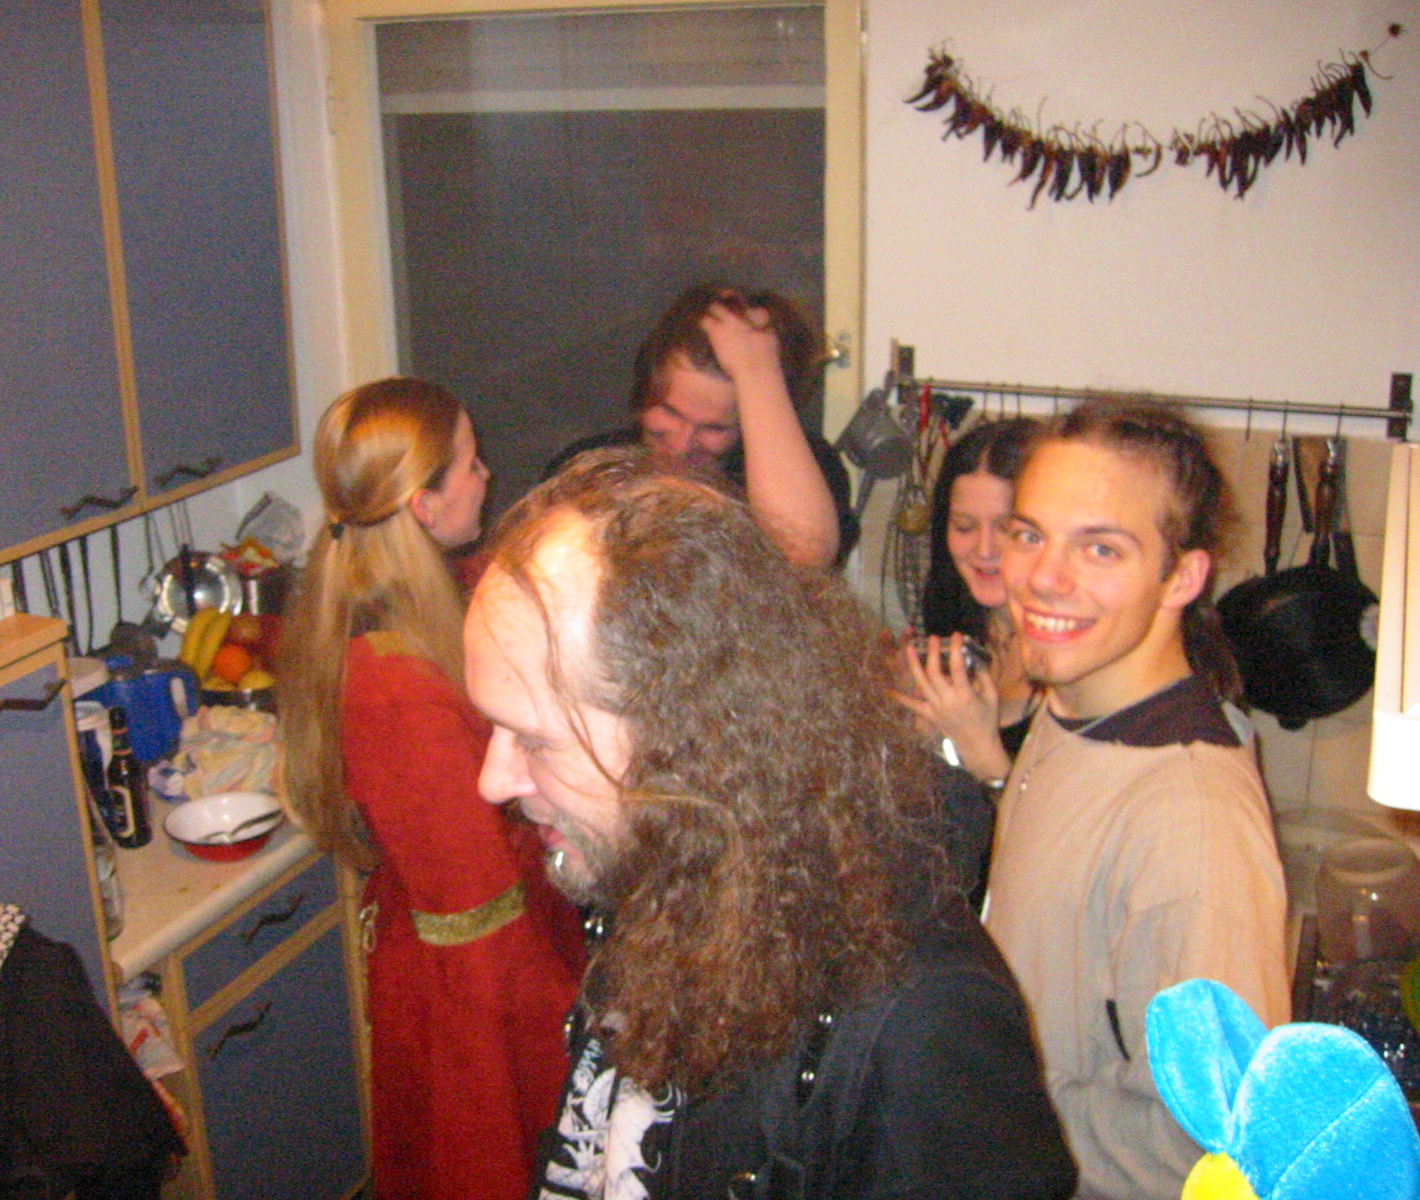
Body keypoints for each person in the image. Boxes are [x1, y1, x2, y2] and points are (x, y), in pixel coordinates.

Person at [463, 448, 1078, 1199]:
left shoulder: (925, 1022)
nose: (493, 781)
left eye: (534, 740)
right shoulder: (666, 863)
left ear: (689, 735)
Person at [275, 378, 585, 1200]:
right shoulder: (393, 692)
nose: (487, 476)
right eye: (472, 464)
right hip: (474, 989)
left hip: (483, 943)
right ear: (422, 505)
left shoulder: (424, 593)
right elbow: (476, 914)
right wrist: (569, 1024)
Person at [983, 399, 1291, 1200]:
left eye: (1101, 549)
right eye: (1029, 534)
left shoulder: (1191, 821)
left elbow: (1208, 1145)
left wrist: (968, 1103)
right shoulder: (1067, 708)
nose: (1044, 577)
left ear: (1181, 577)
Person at [545, 284, 858, 568]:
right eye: (669, 411)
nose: (682, 444)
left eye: (714, 428)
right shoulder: (588, 467)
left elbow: (803, 555)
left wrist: (757, 372)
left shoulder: (809, 471)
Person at [891, 416, 1040, 901]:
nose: (983, 549)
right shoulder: (955, 637)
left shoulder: (1075, 668)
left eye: (1007, 529)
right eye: (964, 526)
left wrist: (983, 753)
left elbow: (1061, 855)